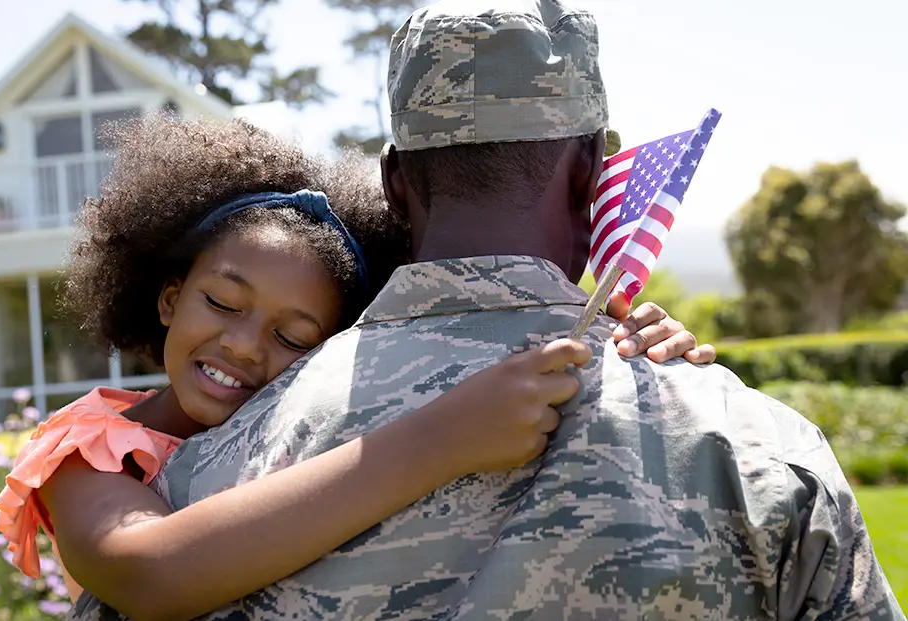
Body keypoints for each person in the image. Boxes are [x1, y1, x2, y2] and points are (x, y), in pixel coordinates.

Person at [67, 1, 904, 619]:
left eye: (289, 331)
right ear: (589, 176)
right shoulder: (753, 445)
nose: (253, 347)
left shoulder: (199, 480)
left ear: (395, 186)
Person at [0, 116, 706, 620]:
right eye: (221, 301)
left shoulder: (315, 415)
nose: (243, 345)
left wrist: (634, 333)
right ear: (170, 296)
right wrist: (443, 438)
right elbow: (150, 574)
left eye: (295, 337)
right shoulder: (89, 447)